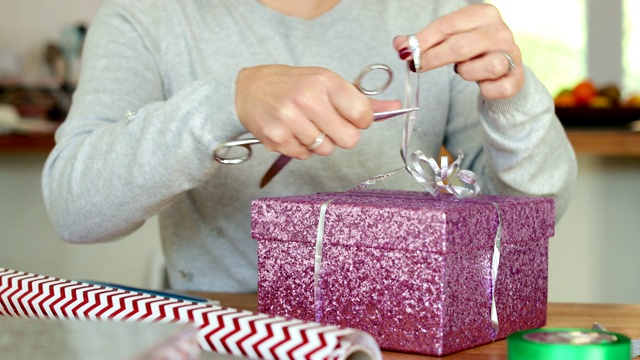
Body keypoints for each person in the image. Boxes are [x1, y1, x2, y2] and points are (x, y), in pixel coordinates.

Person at [42, 0, 578, 292]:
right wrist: (222, 102)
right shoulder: (147, 16)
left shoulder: (436, 16)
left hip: (410, 339)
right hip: (228, 341)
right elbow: (75, 209)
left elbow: (536, 217)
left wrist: (514, 100)